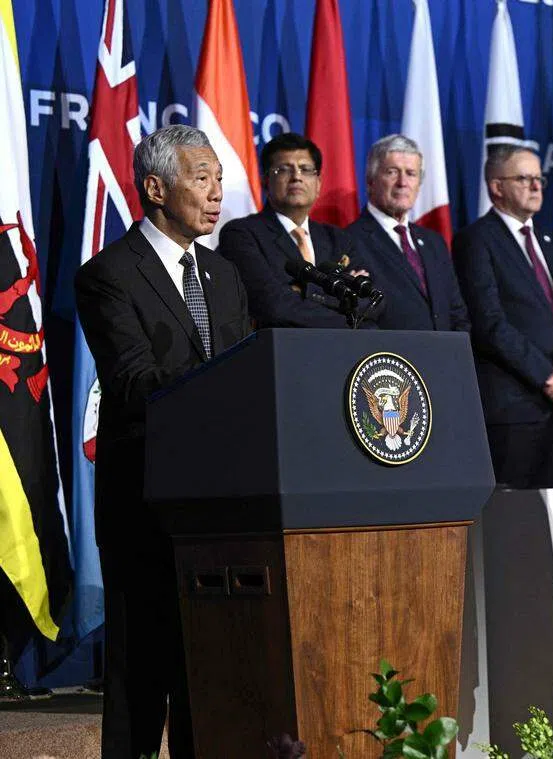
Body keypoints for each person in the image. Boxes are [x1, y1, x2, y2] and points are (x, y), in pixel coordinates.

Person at [74, 124, 251, 759]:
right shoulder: (109, 275)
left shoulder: (225, 275)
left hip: (223, 502)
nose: (217, 193)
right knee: (142, 673)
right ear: (155, 188)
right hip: (146, 500)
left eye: (219, 179)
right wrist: (226, 381)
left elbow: (248, 369)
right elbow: (131, 382)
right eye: (202, 179)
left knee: (210, 668)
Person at [453, 145, 553, 488]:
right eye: (524, 179)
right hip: (515, 409)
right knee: (517, 517)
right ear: (496, 187)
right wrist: (550, 381)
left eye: (539, 179)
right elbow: (489, 323)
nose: (536, 186)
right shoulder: (476, 240)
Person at [217, 132, 365, 328]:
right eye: (284, 169)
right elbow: (273, 306)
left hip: (344, 346)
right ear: (265, 181)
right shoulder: (241, 235)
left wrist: (301, 291)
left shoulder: (339, 239)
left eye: (306, 169)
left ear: (318, 183)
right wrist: (342, 304)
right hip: (280, 345)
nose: (296, 177)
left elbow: (373, 301)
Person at [346, 134, 469, 331]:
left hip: (445, 349)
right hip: (390, 350)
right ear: (370, 182)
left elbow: (456, 312)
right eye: (392, 172)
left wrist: (456, 347)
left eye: (411, 173)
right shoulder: (349, 240)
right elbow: (362, 319)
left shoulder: (434, 242)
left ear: (419, 183)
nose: (402, 182)